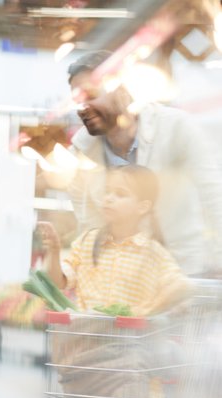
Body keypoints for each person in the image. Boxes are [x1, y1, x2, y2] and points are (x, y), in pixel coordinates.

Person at [65, 50, 222, 275]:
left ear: (122, 90)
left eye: (90, 96)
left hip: (183, 273)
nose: (81, 108)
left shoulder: (176, 128)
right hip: (124, 280)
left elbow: (215, 196)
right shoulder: (81, 151)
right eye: (77, 100)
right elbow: (89, 225)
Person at [39, 166, 189, 317]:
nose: (109, 198)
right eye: (107, 191)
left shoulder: (152, 252)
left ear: (142, 207)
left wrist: (146, 311)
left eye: (120, 194)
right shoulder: (87, 242)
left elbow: (181, 286)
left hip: (130, 338)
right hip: (87, 336)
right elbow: (58, 282)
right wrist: (54, 250)